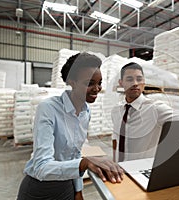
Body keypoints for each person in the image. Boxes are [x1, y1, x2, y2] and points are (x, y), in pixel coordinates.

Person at [17, 52, 123, 200]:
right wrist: (85, 163)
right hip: (40, 190)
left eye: (99, 83)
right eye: (89, 83)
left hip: (67, 186)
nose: (97, 88)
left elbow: (75, 154)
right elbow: (41, 167)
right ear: (71, 81)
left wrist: (78, 190)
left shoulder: (85, 113)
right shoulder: (48, 109)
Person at [111, 62, 179, 162]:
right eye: (129, 79)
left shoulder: (155, 108)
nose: (135, 83)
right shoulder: (116, 110)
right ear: (121, 83)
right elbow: (115, 138)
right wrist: (114, 161)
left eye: (139, 79)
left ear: (144, 82)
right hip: (120, 169)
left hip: (141, 170)